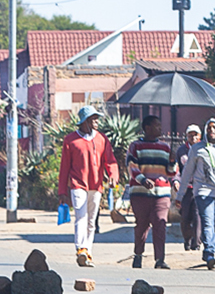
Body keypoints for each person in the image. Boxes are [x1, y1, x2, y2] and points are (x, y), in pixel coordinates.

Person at [56, 105, 120, 268]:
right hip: (78, 185)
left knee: (92, 221)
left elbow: (110, 161)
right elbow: (64, 167)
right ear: (84, 122)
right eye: (93, 119)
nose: (97, 122)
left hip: (96, 185)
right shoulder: (70, 140)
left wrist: (113, 176)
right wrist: (63, 191)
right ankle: (80, 249)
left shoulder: (102, 139)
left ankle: (88, 252)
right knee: (81, 216)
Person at [179, 117, 215, 269]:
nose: (212, 130)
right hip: (203, 191)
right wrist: (180, 195)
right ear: (205, 131)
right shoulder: (197, 149)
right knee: (207, 222)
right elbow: (187, 173)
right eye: (209, 128)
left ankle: (208, 249)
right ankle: (210, 253)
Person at [125, 114, 177, 270]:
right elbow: (132, 166)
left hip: (161, 193)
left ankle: (160, 259)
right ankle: (138, 254)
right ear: (147, 128)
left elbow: (171, 173)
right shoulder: (135, 146)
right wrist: (143, 180)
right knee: (142, 225)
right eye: (157, 125)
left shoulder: (165, 147)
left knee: (160, 224)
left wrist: (173, 162)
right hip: (140, 193)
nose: (160, 128)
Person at [177, 124, 203, 251]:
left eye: (195, 135)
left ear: (200, 136)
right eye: (190, 135)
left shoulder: (203, 149)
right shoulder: (181, 151)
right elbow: (177, 170)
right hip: (185, 189)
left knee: (198, 215)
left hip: (199, 188)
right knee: (185, 216)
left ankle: (196, 243)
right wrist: (176, 181)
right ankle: (187, 240)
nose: (193, 137)